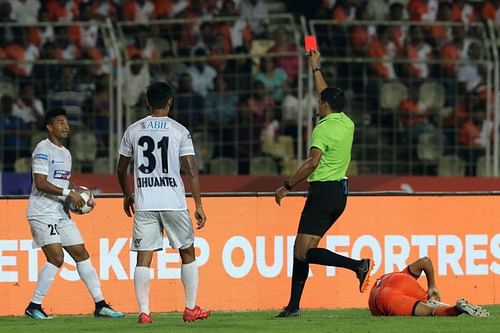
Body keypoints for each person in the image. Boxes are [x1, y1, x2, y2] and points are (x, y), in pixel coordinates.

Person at [274, 51, 373, 318]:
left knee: (303, 251)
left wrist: (287, 185)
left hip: (322, 192)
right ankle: (293, 305)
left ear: (325, 105)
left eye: (320, 101)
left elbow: (312, 162)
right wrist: (316, 68)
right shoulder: (346, 122)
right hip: (339, 193)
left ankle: (357, 266)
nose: (318, 103)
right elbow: (326, 92)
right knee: (301, 249)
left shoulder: (323, 129)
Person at [116, 81, 210, 325]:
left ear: (147, 102)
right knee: (187, 252)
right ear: (170, 102)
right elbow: (191, 170)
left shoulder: (134, 130)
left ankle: (144, 313)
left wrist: (127, 193)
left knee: (143, 257)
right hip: (173, 202)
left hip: (145, 202)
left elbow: (121, 168)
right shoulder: (179, 130)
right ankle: (190, 308)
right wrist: (198, 205)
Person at [24, 108, 124, 319]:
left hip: (60, 212)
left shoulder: (66, 153)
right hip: (42, 212)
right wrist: (69, 193)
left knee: (81, 253)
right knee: (56, 257)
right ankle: (34, 306)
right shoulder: (43, 148)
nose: (66, 126)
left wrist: (82, 193)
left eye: (67, 122)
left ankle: (101, 305)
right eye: (60, 122)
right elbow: (40, 183)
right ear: (50, 127)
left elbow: (64, 180)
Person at [368, 256, 490, 317]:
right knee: (431, 309)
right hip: (392, 288)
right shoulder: (402, 284)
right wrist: (432, 286)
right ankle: (455, 308)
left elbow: (425, 261)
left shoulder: (400, 287)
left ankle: (455, 308)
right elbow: (425, 261)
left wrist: (432, 288)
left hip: (385, 289)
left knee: (430, 309)